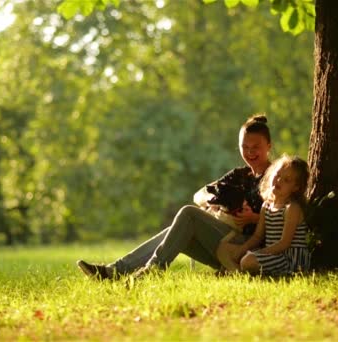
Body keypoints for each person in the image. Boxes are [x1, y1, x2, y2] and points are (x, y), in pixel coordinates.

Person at [76, 114, 273, 279]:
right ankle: (113, 271)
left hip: (247, 249)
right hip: (223, 244)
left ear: (269, 145)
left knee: (188, 214)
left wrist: (254, 218)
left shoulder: (275, 176)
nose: (249, 152)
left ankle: (152, 271)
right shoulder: (239, 174)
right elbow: (199, 194)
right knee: (178, 229)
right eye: (244, 146)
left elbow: (284, 216)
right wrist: (212, 202)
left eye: (255, 147)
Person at [216, 154, 310, 275]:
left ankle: (236, 272)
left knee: (248, 260)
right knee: (223, 248)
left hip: (288, 258)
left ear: (296, 187)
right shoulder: (266, 205)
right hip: (272, 254)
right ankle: (236, 270)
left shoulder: (292, 208)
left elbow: (284, 243)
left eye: (287, 180)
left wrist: (257, 253)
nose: (279, 180)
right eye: (278, 175)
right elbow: (257, 236)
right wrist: (242, 250)